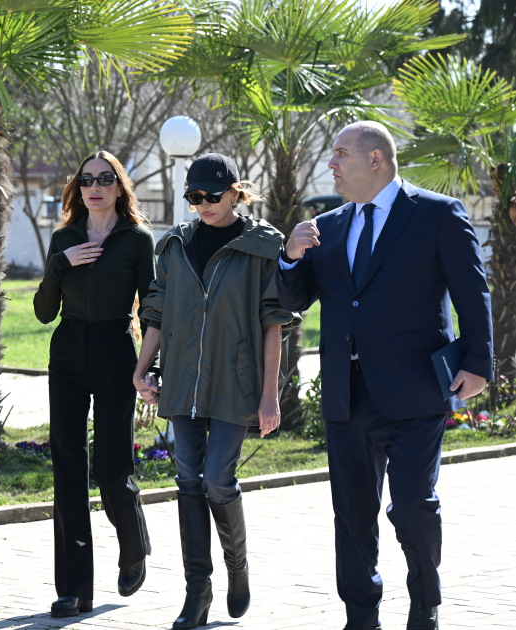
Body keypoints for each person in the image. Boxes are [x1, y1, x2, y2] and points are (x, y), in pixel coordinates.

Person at [276, 121, 493, 630]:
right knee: (352, 514)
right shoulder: (325, 227)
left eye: (340, 154)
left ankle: (425, 602)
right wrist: (290, 257)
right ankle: (361, 613)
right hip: (345, 395)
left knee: (414, 505)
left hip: (415, 388)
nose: (331, 164)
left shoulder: (437, 214)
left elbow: (472, 293)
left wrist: (478, 364)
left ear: (375, 160)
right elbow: (292, 301)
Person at [134, 153, 299, 629]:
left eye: (212, 195)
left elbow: (274, 323)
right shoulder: (176, 245)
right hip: (183, 382)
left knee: (217, 480)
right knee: (187, 480)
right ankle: (197, 592)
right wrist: (142, 369)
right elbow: (157, 313)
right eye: (194, 197)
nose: (203, 204)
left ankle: (237, 566)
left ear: (235, 192)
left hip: (237, 382)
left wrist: (269, 397)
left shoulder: (264, 244)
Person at [33, 151, 155, 618]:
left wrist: (148, 366)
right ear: (78, 187)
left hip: (113, 349)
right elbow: (45, 312)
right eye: (87, 180)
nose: (95, 187)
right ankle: (74, 588)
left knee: (109, 464)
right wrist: (61, 263)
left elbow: (151, 308)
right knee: (66, 469)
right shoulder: (64, 237)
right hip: (66, 352)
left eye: (106, 179)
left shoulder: (137, 240)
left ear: (119, 187)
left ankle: (133, 544)